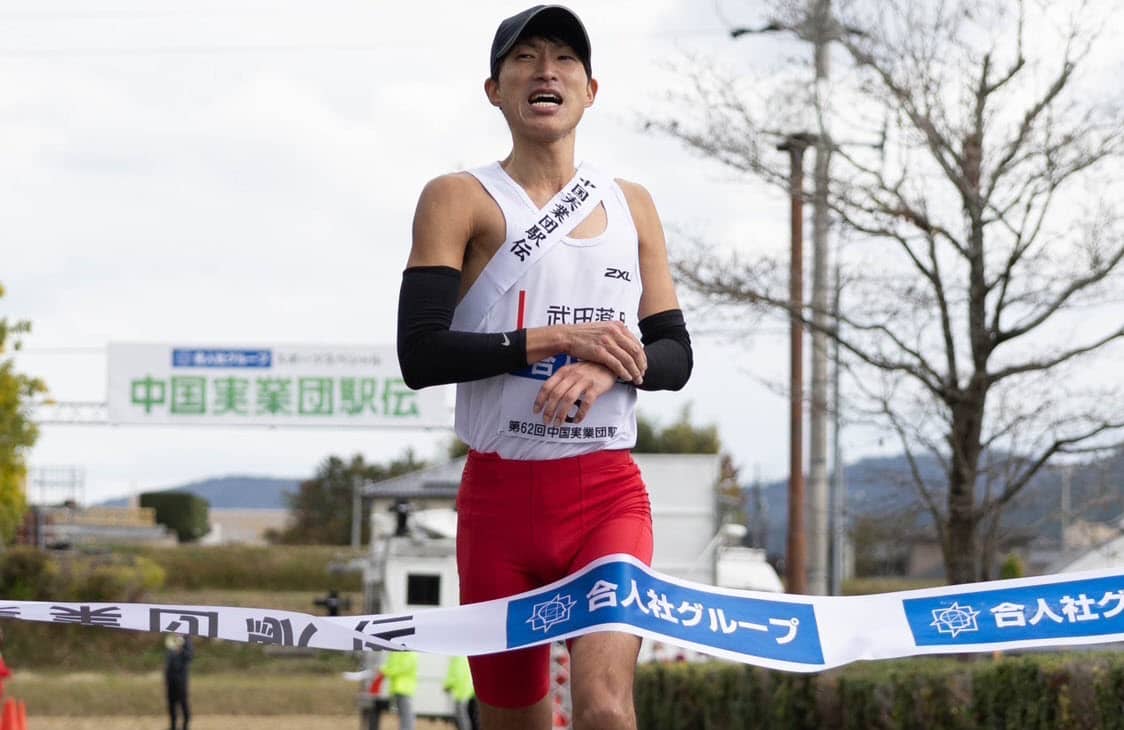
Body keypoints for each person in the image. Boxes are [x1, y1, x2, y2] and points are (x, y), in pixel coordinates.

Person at [396, 6, 693, 728]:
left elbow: (675, 357)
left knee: (604, 709)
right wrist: (560, 343)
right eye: (524, 58)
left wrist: (613, 367)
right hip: (498, 503)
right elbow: (421, 353)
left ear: (591, 90)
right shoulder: (456, 197)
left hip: (606, 495)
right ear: (494, 89)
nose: (545, 70)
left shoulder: (633, 204)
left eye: (563, 58)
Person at [378, 650, 418, 730]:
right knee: (403, 714)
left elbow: (401, 668)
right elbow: (392, 665)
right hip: (398, 688)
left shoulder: (409, 653)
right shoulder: (397, 652)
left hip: (404, 688)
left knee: (406, 715)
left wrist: (385, 671)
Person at [164, 634, 193, 730]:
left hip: (181, 679)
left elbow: (190, 656)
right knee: (171, 705)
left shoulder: (187, 639)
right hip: (171, 679)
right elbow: (168, 661)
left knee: (183, 704)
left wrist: (180, 649)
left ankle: (185, 726)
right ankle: (172, 726)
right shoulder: (171, 637)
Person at [443, 655, 476, 730]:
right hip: (469, 691)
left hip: (461, 692)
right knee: (469, 716)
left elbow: (455, 673)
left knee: (462, 717)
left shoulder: (457, 658)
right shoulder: (467, 657)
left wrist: (448, 684)